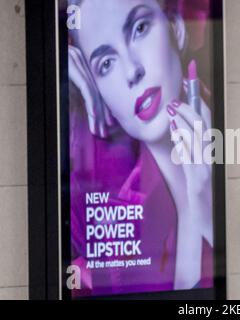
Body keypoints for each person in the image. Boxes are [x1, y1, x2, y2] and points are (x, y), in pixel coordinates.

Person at [67, 0, 213, 296]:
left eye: (139, 28)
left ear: (177, 27)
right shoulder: (121, 212)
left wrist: (206, 207)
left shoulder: (235, 157)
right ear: (97, 91)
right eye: (105, 64)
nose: (132, 71)